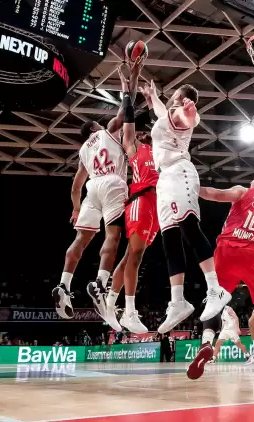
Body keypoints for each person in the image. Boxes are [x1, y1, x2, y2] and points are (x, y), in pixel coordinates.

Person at [52, 62, 142, 322]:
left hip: (92, 188)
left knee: (81, 241)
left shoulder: (82, 152)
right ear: (94, 127)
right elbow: (127, 109)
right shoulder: (107, 130)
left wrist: (76, 207)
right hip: (113, 182)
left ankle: (64, 285)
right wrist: (132, 81)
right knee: (113, 236)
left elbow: (75, 186)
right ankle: (101, 282)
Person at [139, 81, 229, 332]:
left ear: (180, 97)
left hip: (180, 172)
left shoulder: (183, 111)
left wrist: (191, 111)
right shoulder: (166, 115)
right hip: (164, 180)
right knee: (169, 240)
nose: (171, 99)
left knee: (189, 228)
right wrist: (152, 96)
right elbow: (160, 110)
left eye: (175, 95)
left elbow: (190, 118)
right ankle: (177, 301)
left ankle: (215, 289)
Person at [186, 171, 254, 379]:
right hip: (252, 255)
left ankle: (207, 342)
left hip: (226, 251)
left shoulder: (243, 192)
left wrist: (189, 189)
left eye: (253, 179)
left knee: (215, 301)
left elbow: (215, 195)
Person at [105, 66, 158, 334]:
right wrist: (127, 93)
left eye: (142, 131)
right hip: (140, 201)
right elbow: (129, 121)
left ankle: (110, 303)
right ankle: (129, 310)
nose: (139, 133)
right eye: (137, 132)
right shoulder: (133, 147)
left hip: (157, 208)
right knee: (135, 256)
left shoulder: (158, 148)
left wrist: (150, 101)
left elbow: (155, 125)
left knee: (129, 258)